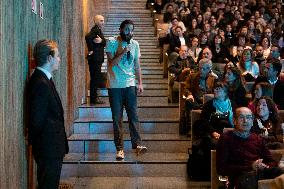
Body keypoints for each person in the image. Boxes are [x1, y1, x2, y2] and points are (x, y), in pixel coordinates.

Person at [27, 39, 69, 189]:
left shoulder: (45, 79)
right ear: (49, 58)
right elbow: (36, 120)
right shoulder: (40, 83)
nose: (59, 59)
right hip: (48, 148)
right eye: (57, 56)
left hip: (51, 147)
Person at [105, 20, 147, 160]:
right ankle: (120, 149)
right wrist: (123, 51)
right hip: (115, 85)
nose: (130, 32)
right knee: (117, 118)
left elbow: (137, 65)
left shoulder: (135, 44)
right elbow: (112, 63)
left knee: (133, 115)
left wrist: (140, 83)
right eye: (127, 29)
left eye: (132, 30)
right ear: (121, 29)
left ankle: (138, 144)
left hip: (130, 85)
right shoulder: (111, 42)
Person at [216, 107, 284, 189]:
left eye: (248, 117)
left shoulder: (257, 139)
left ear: (252, 122)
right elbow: (221, 168)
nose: (245, 121)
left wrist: (263, 165)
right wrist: (250, 166)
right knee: (247, 180)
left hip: (259, 172)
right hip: (239, 176)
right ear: (234, 121)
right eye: (241, 117)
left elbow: (271, 161)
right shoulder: (226, 138)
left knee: (280, 172)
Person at [85, 15, 106, 104]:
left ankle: (94, 98)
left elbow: (103, 41)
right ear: (96, 21)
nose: (103, 22)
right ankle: (94, 99)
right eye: (101, 21)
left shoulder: (97, 30)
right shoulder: (96, 30)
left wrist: (101, 41)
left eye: (103, 20)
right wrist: (91, 49)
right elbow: (87, 36)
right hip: (95, 58)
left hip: (96, 58)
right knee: (95, 78)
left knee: (95, 78)